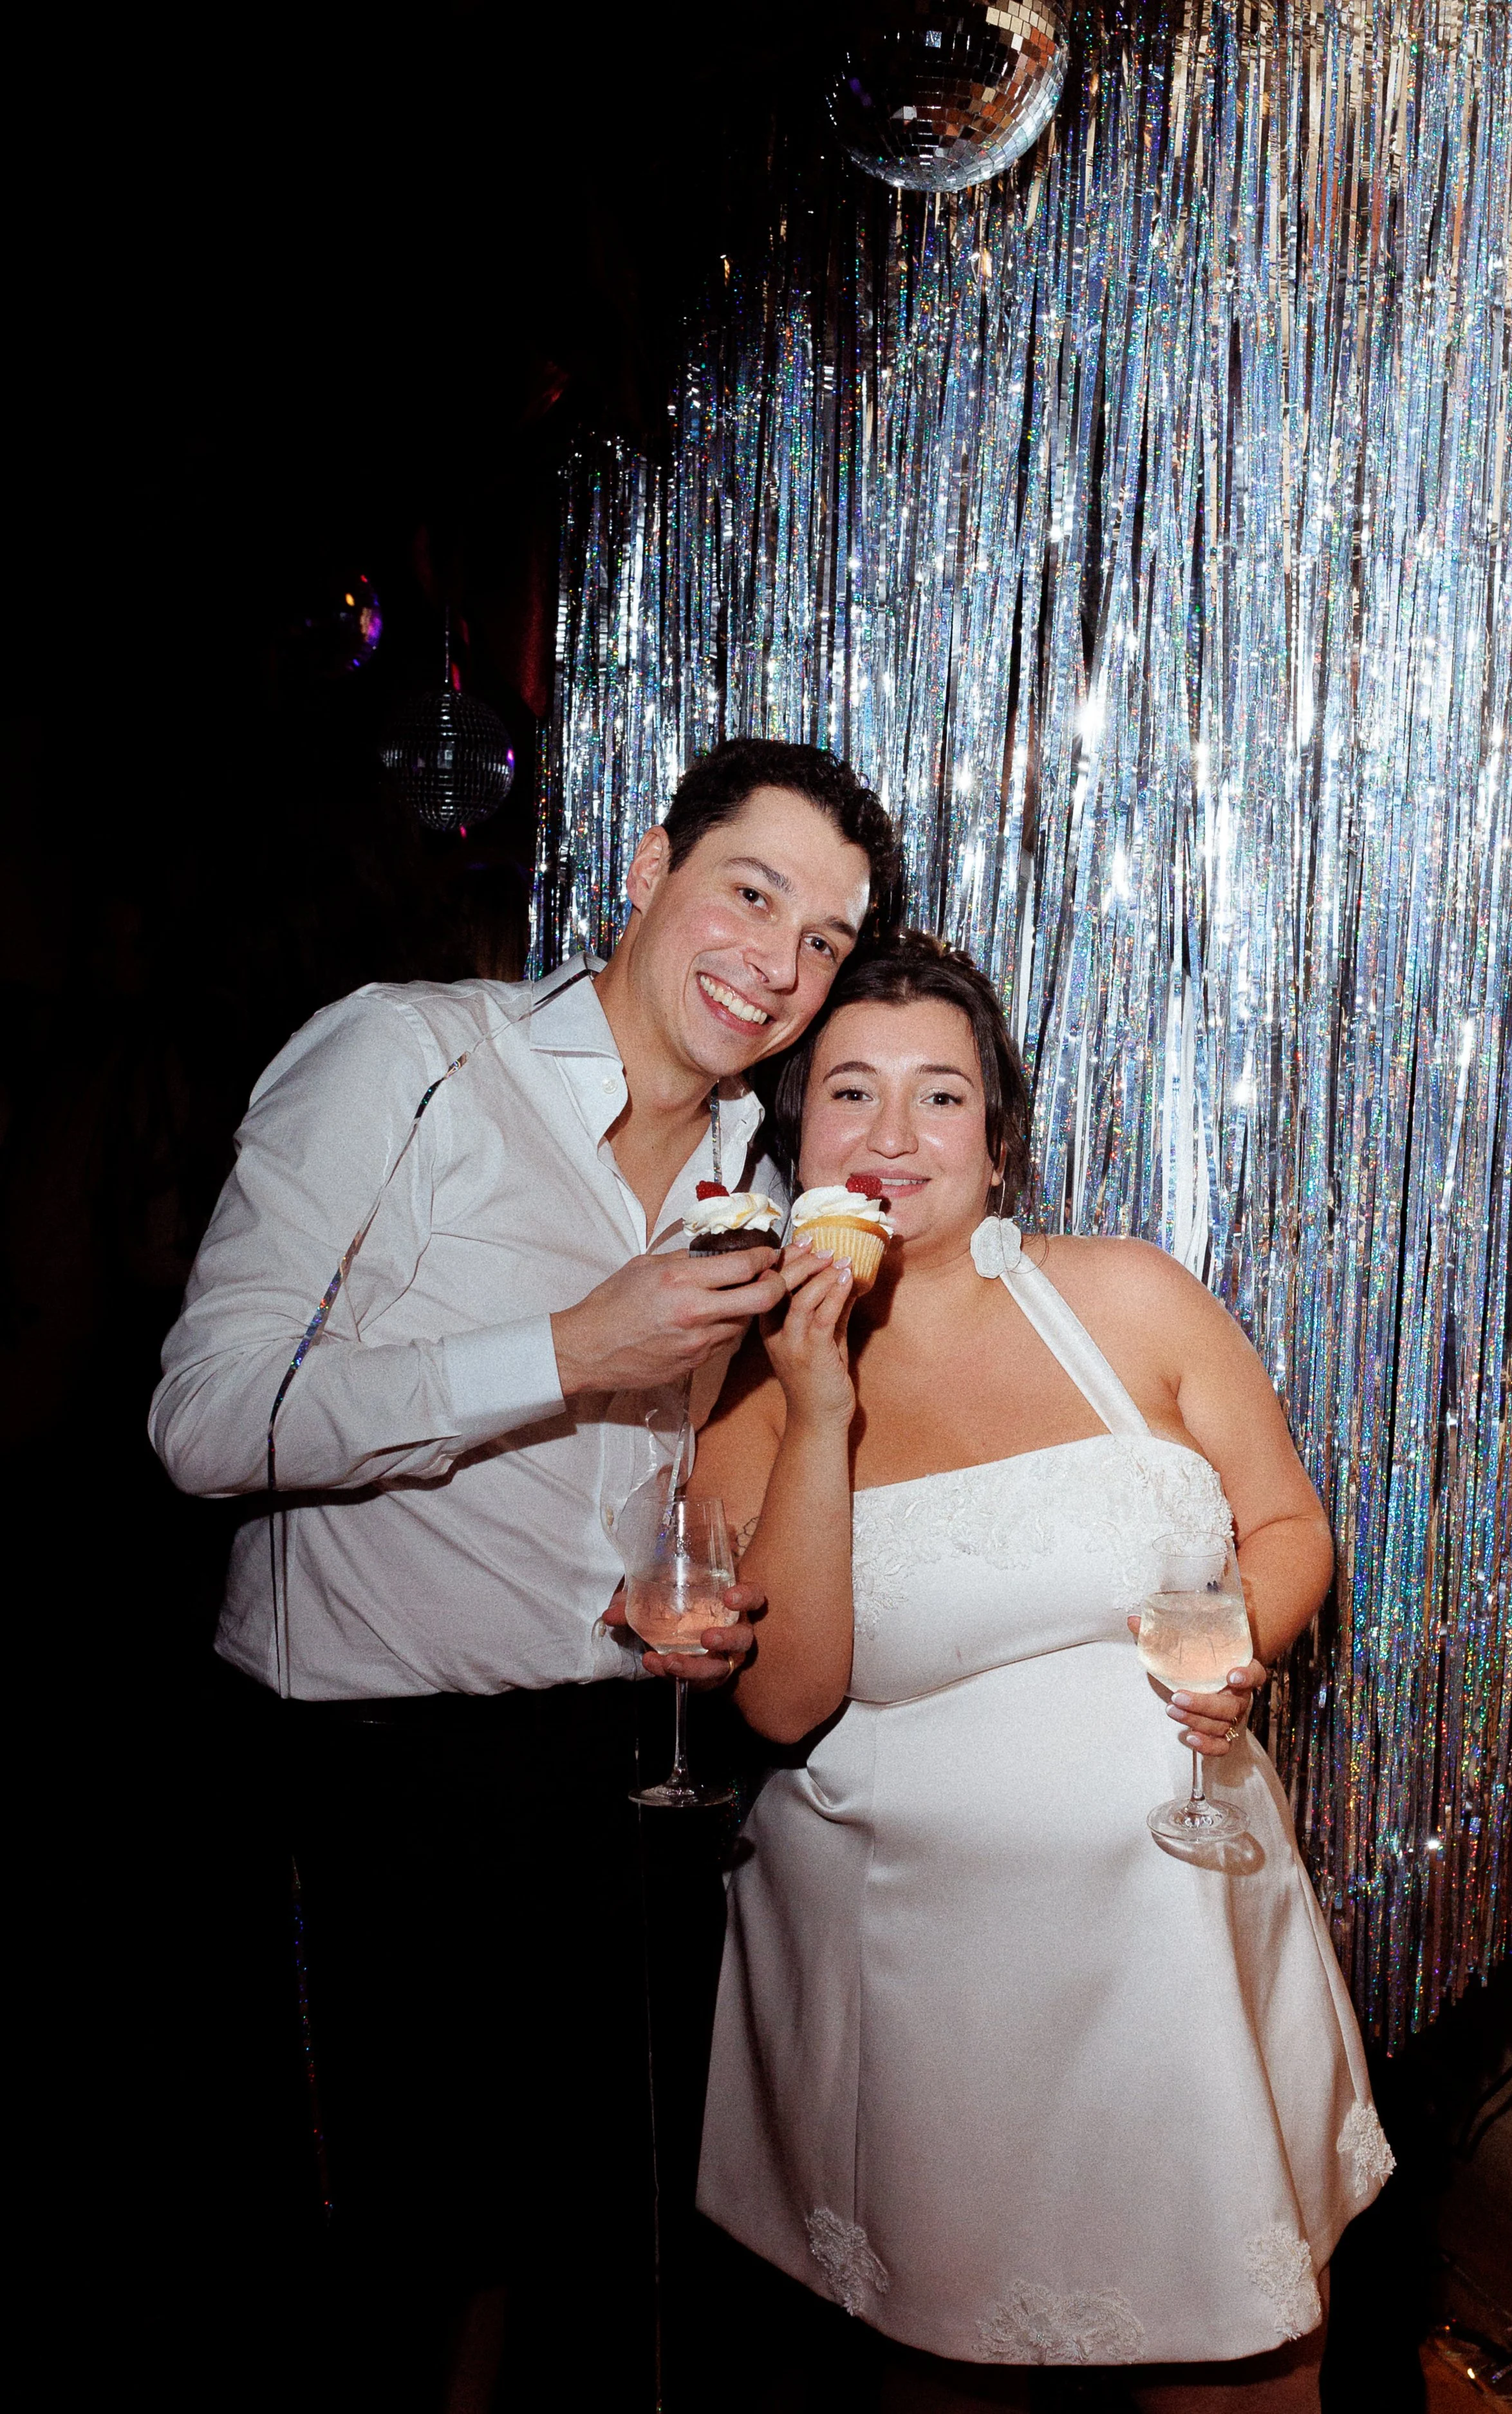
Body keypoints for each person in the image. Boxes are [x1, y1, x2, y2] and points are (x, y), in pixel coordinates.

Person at [148, 738, 901, 2412]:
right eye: (749, 891)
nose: (775, 965)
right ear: (645, 870)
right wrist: (571, 1346)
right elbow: (207, 1420)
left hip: (600, 1774)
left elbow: (633, 1494)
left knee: (550, 2259)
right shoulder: (404, 1056)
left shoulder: (754, 1188)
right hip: (345, 1773)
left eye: (825, 939)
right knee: (354, 2276)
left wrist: (651, 1597)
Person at [691, 933, 1394, 2414]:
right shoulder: (744, 1394)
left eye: (938, 1098)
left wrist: (1237, 1647)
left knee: (1249, 2367)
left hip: (1177, 1949)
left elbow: (1282, 1523)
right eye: (848, 1094)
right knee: (954, 2372)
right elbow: (779, 1701)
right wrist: (817, 1407)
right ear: (791, 1137)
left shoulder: (1129, 1299)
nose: (891, 1137)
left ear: (998, 1145)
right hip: (922, 1980)